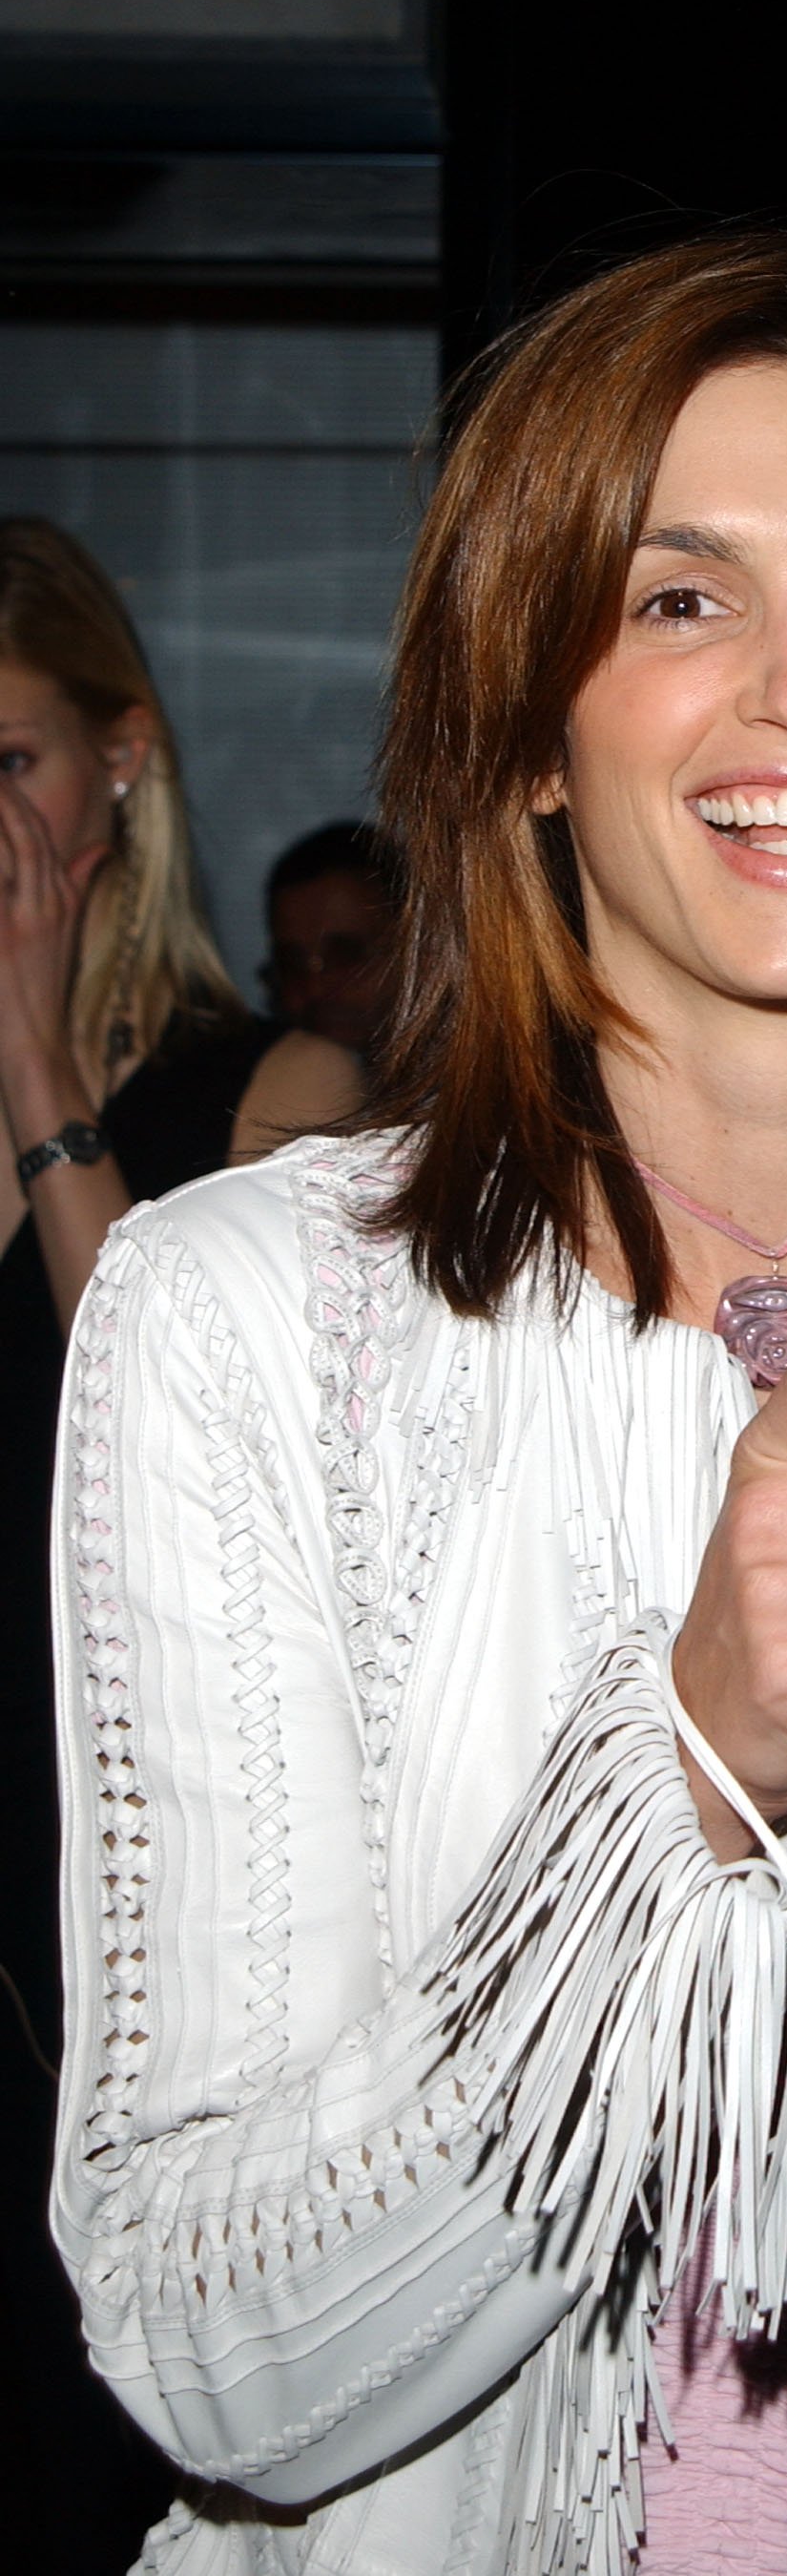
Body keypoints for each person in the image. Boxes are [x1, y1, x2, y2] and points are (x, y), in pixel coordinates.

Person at [50, 235, 787, 2575]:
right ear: (522, 730)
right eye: (675, 599)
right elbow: (207, 2350)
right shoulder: (250, 1317)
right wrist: (687, 1764)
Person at [0, 519, 364, 2572]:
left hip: (127, 1930)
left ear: (123, 760)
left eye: (10, 766)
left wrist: (41, 1055)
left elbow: (202, 1471)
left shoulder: (275, 1090)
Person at [260, 818, 404, 1056]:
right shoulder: (264, 1082)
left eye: (346, 955)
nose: (315, 989)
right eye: (291, 966)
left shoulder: (476, 1087)